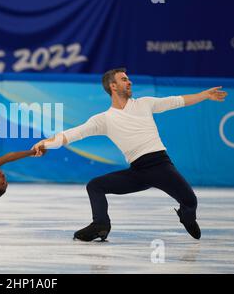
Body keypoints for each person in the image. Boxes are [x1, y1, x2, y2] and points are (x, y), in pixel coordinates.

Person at [32, 68, 228, 242]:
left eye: (128, 79)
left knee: (191, 201)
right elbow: (73, 134)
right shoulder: (104, 119)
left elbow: (177, 101)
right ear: (113, 86)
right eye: (124, 79)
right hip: (138, 172)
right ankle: (100, 224)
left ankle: (186, 216)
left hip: (161, 166)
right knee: (95, 186)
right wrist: (45, 143)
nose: (130, 82)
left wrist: (203, 95)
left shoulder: (144, 104)